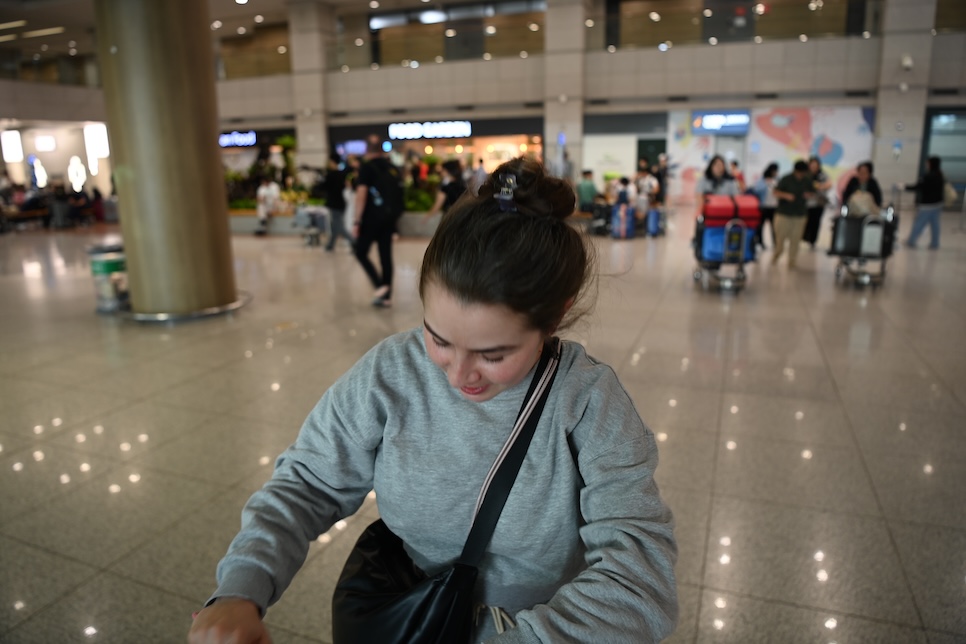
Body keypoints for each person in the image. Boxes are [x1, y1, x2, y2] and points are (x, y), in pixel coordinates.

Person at [187, 157, 678, 644]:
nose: (459, 375)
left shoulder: (588, 403)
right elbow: (309, 483)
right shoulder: (391, 373)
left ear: (554, 319)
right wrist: (240, 588)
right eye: (438, 339)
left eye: (493, 353)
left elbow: (637, 576)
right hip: (410, 613)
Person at [353, 135, 402, 308]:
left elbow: (361, 194)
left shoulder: (366, 168)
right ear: (382, 150)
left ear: (367, 151)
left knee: (360, 251)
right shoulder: (392, 167)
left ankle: (380, 286)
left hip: (371, 219)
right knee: (385, 255)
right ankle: (386, 296)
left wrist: (357, 221)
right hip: (389, 218)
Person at [771, 160, 814, 269]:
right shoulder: (786, 179)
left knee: (795, 240)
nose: (801, 175)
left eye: (803, 173)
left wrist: (809, 195)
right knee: (780, 239)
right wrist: (786, 196)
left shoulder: (807, 180)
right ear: (795, 171)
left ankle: (792, 261)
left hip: (800, 215)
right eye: (800, 173)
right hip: (784, 213)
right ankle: (776, 255)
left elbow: (813, 193)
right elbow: (775, 192)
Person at [903, 156, 946, 250]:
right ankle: (935, 243)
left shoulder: (928, 176)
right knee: (935, 224)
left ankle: (911, 240)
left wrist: (904, 187)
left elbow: (919, 186)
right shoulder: (940, 175)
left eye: (927, 163)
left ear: (930, 164)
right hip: (938, 204)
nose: (926, 165)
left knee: (919, 223)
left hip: (927, 205)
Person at [322, 153, 352, 252]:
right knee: (335, 225)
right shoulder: (341, 175)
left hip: (335, 203)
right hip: (340, 203)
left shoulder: (331, 175)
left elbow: (324, 187)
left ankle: (354, 241)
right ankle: (330, 244)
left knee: (338, 226)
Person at [801, 156, 832, 249]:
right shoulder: (805, 175)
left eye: (815, 165)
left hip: (819, 202)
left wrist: (818, 186)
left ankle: (812, 241)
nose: (814, 167)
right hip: (806, 203)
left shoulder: (822, 175)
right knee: (805, 221)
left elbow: (828, 184)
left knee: (816, 221)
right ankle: (804, 238)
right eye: (812, 165)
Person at [752, 163, 779, 249]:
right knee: (760, 226)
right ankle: (760, 242)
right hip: (763, 206)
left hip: (774, 206)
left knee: (774, 226)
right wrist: (766, 184)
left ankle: (776, 243)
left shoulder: (777, 180)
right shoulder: (762, 180)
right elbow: (756, 190)